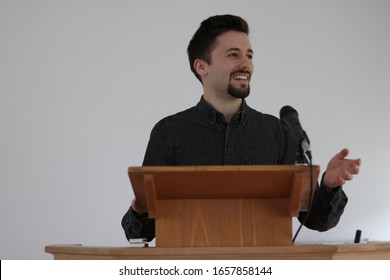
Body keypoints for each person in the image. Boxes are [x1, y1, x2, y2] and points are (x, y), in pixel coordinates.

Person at [121, 14, 361, 242]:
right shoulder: (168, 132)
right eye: (234, 54)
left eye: (250, 55)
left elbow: (315, 220)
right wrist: (140, 209)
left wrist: (329, 186)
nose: (246, 64)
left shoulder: (276, 132)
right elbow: (141, 233)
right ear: (202, 66)